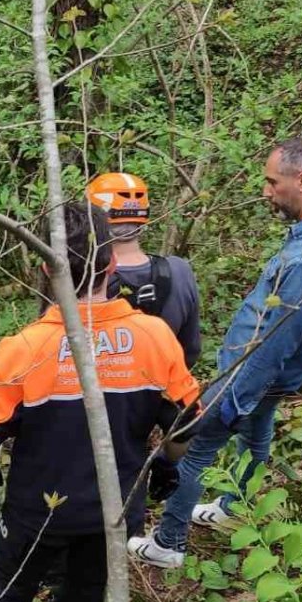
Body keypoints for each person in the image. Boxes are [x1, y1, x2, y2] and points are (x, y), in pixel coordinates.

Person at [0, 202, 200, 602]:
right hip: (116, 504)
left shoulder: (24, 349)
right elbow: (186, 419)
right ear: (111, 261)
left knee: (11, 587)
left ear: (41, 266)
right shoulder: (154, 336)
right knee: (88, 586)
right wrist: (168, 466)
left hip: (38, 508)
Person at [130, 137, 302, 569]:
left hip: (248, 376)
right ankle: (233, 505)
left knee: (194, 447)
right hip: (269, 380)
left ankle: (168, 544)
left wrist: (232, 401)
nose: (266, 191)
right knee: (257, 436)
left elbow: (275, 344)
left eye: (272, 182)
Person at [86, 170, 201, 505]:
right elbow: (189, 350)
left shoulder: (85, 279)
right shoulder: (178, 272)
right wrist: (167, 462)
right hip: (157, 395)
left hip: (99, 401)